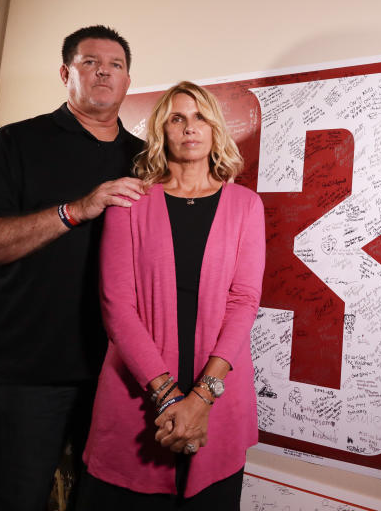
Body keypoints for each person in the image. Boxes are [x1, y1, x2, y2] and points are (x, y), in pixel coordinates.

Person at [0, 25, 145, 510]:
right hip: (32, 371)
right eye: (90, 62)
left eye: (115, 65)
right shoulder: (15, 144)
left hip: (121, 372)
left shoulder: (144, 159)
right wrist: (73, 211)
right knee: (16, 501)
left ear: (127, 81)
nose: (103, 72)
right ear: (65, 73)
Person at [77, 82, 265, 509]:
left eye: (199, 117)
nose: (189, 127)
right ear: (162, 130)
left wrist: (200, 399)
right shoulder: (129, 201)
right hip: (137, 394)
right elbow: (116, 307)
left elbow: (244, 301)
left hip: (218, 397)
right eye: (177, 118)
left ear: (216, 128)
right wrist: (168, 396)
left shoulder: (245, 205)